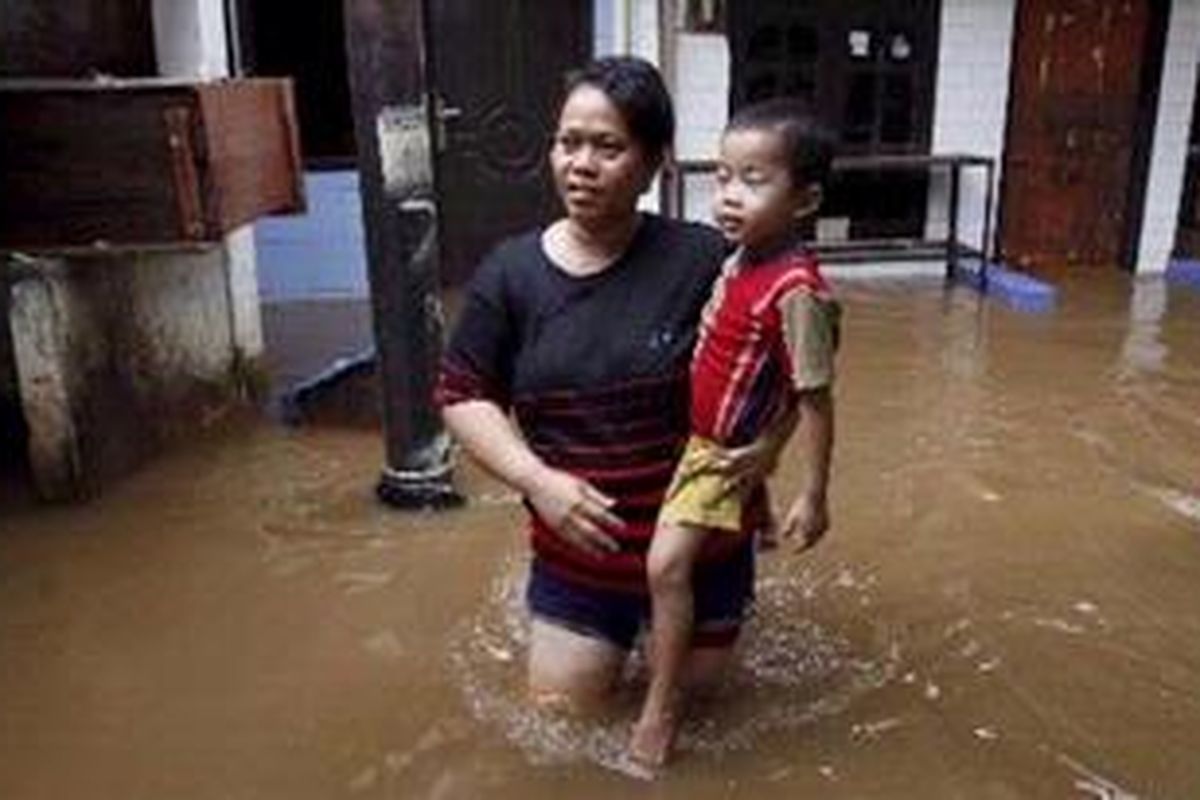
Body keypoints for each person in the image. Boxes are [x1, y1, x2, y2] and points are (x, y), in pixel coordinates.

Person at [437, 57, 767, 719]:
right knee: (562, 718)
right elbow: (462, 394)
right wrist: (535, 479)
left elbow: (771, 368)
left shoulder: (706, 261)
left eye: (607, 147)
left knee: (703, 714)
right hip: (581, 557)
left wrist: (768, 463)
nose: (580, 164)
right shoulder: (510, 276)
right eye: (568, 142)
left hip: (703, 549)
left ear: (653, 164)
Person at [628, 98, 841, 769]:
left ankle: (660, 712)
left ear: (804, 200)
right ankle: (757, 514)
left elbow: (816, 397)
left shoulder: (795, 290)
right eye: (723, 176)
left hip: (716, 458)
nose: (729, 195)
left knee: (665, 567)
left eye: (754, 180)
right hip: (704, 442)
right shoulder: (740, 258)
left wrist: (816, 493)